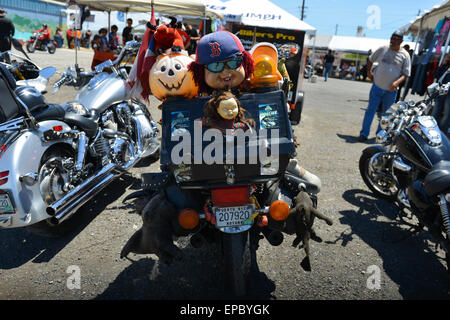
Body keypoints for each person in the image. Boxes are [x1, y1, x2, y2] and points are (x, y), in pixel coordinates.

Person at [358, 31, 411, 142]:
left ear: (401, 41)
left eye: (397, 39)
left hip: (391, 90)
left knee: (386, 115)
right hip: (377, 86)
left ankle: (379, 135)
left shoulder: (405, 55)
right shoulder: (383, 49)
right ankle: (364, 133)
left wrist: (396, 83)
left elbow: (406, 74)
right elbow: (371, 60)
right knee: (370, 110)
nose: (394, 41)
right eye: (392, 38)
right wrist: (369, 72)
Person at [431, 52, 450, 136]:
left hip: (449, 94)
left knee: (447, 114)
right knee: (435, 112)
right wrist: (443, 64)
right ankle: (432, 130)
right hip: (441, 92)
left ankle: (442, 134)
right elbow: (435, 75)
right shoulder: (446, 65)